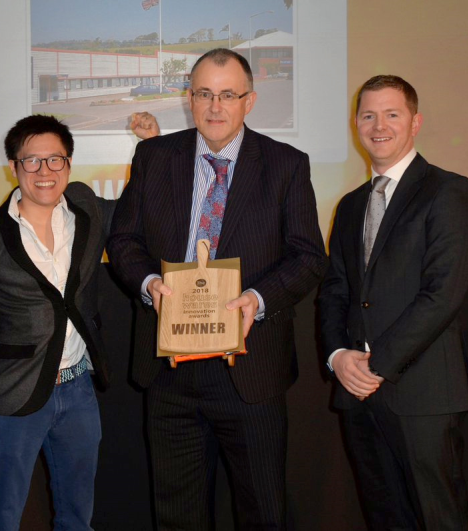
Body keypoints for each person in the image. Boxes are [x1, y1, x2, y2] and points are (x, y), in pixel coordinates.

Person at [107, 48, 327, 529]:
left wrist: (258, 299)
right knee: (177, 515)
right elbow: (123, 240)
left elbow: (309, 256)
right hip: (169, 372)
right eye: (205, 93)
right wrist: (149, 283)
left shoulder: (286, 164)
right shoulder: (154, 156)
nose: (215, 106)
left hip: (249, 369)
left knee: (262, 512)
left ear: (249, 100)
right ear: (190, 98)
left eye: (228, 95)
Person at [318, 75, 468, 530]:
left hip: (423, 395)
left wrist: (376, 364)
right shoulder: (350, 205)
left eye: (392, 113)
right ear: (356, 125)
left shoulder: (448, 190)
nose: (378, 125)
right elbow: (334, 291)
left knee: (438, 519)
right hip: (358, 394)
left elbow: (442, 293)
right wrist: (337, 356)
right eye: (368, 115)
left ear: (415, 122)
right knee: (385, 518)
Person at [0, 115, 115, 531]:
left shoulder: (87, 207)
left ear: (69, 165)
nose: (45, 172)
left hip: (80, 392)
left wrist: (151, 145)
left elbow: (144, 206)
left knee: (77, 517)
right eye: (32, 161)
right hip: (15, 394)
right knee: (2, 516)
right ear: (12, 167)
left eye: (56, 160)